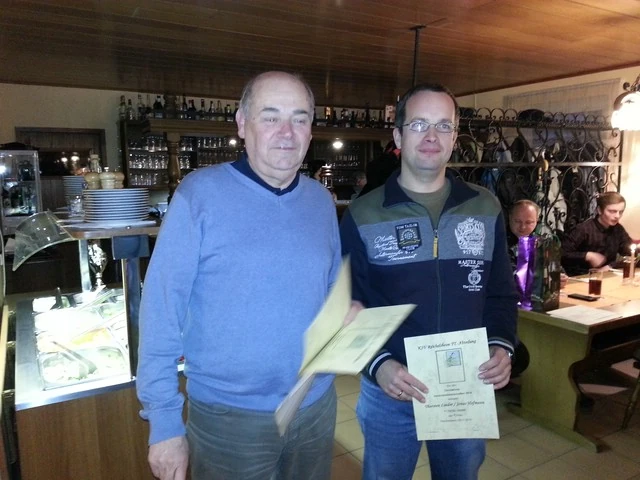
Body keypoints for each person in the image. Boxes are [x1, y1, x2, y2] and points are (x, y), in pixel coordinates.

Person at [136, 71, 358, 480]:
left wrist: (345, 310)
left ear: (311, 130)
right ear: (242, 123)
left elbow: (329, 289)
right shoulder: (198, 195)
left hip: (315, 404)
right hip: (228, 419)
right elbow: (160, 311)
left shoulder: (320, 200)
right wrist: (164, 422)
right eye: (270, 117)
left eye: (300, 118)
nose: (287, 132)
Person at [340, 83, 518, 480]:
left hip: (464, 384)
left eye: (443, 125)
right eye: (419, 124)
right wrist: (377, 365)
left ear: (455, 138)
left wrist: (501, 344)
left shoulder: (485, 206)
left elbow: (500, 293)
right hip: (391, 389)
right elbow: (348, 306)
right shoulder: (363, 214)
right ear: (398, 136)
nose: (432, 136)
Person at [561, 191, 634, 276]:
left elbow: (630, 254)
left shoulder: (618, 229)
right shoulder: (584, 229)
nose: (617, 216)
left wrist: (610, 266)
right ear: (599, 210)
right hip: (580, 277)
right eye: (612, 211)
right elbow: (562, 254)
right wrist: (587, 255)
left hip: (607, 277)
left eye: (620, 212)